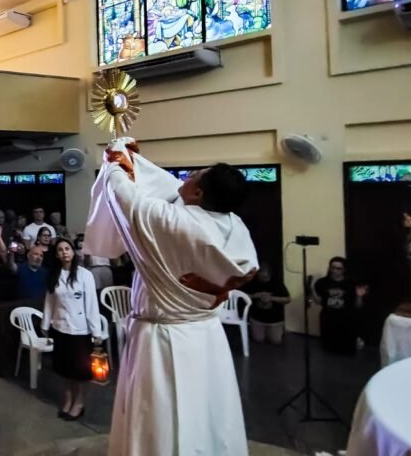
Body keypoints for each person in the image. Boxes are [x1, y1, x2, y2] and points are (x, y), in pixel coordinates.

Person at [88, 142, 259, 456]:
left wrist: (116, 158)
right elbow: (166, 186)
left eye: (196, 175)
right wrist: (135, 161)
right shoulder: (236, 227)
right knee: (208, 413)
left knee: (160, 419)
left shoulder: (172, 222)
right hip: (207, 335)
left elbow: (125, 195)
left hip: (162, 338)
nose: (189, 175)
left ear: (198, 195)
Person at [43, 238, 102, 420]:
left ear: (73, 251)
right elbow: (49, 302)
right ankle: (68, 399)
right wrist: (45, 325)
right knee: (64, 368)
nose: (64, 252)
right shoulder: (54, 275)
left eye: (67, 248)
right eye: (60, 250)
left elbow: (92, 305)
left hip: (80, 330)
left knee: (80, 370)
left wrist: (96, 332)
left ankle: (79, 402)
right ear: (57, 254)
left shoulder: (85, 275)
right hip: (60, 327)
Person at [313, 256, 366, 355]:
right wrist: (311, 290)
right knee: (328, 352)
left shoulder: (352, 283)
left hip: (346, 320)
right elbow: (319, 302)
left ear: (344, 270)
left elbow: (358, 306)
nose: (335, 270)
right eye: (332, 267)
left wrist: (359, 296)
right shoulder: (322, 282)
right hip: (328, 320)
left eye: (338, 268)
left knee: (346, 352)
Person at [242, 263, 291, 345]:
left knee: (275, 341)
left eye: (265, 276)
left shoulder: (277, 283)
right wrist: (255, 296)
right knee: (258, 339)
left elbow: (287, 299)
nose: (263, 278)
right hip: (257, 318)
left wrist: (271, 298)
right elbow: (243, 296)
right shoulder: (253, 282)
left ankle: (278, 330)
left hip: (274, 319)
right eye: (261, 276)